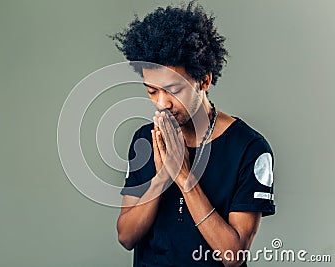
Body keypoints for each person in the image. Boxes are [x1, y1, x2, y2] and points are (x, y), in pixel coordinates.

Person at [111, 2, 275, 266]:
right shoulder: (145, 138)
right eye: (152, 91)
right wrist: (162, 176)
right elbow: (126, 236)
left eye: (174, 90)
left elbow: (234, 255)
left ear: (204, 80)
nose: (162, 103)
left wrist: (184, 176)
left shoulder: (250, 148)